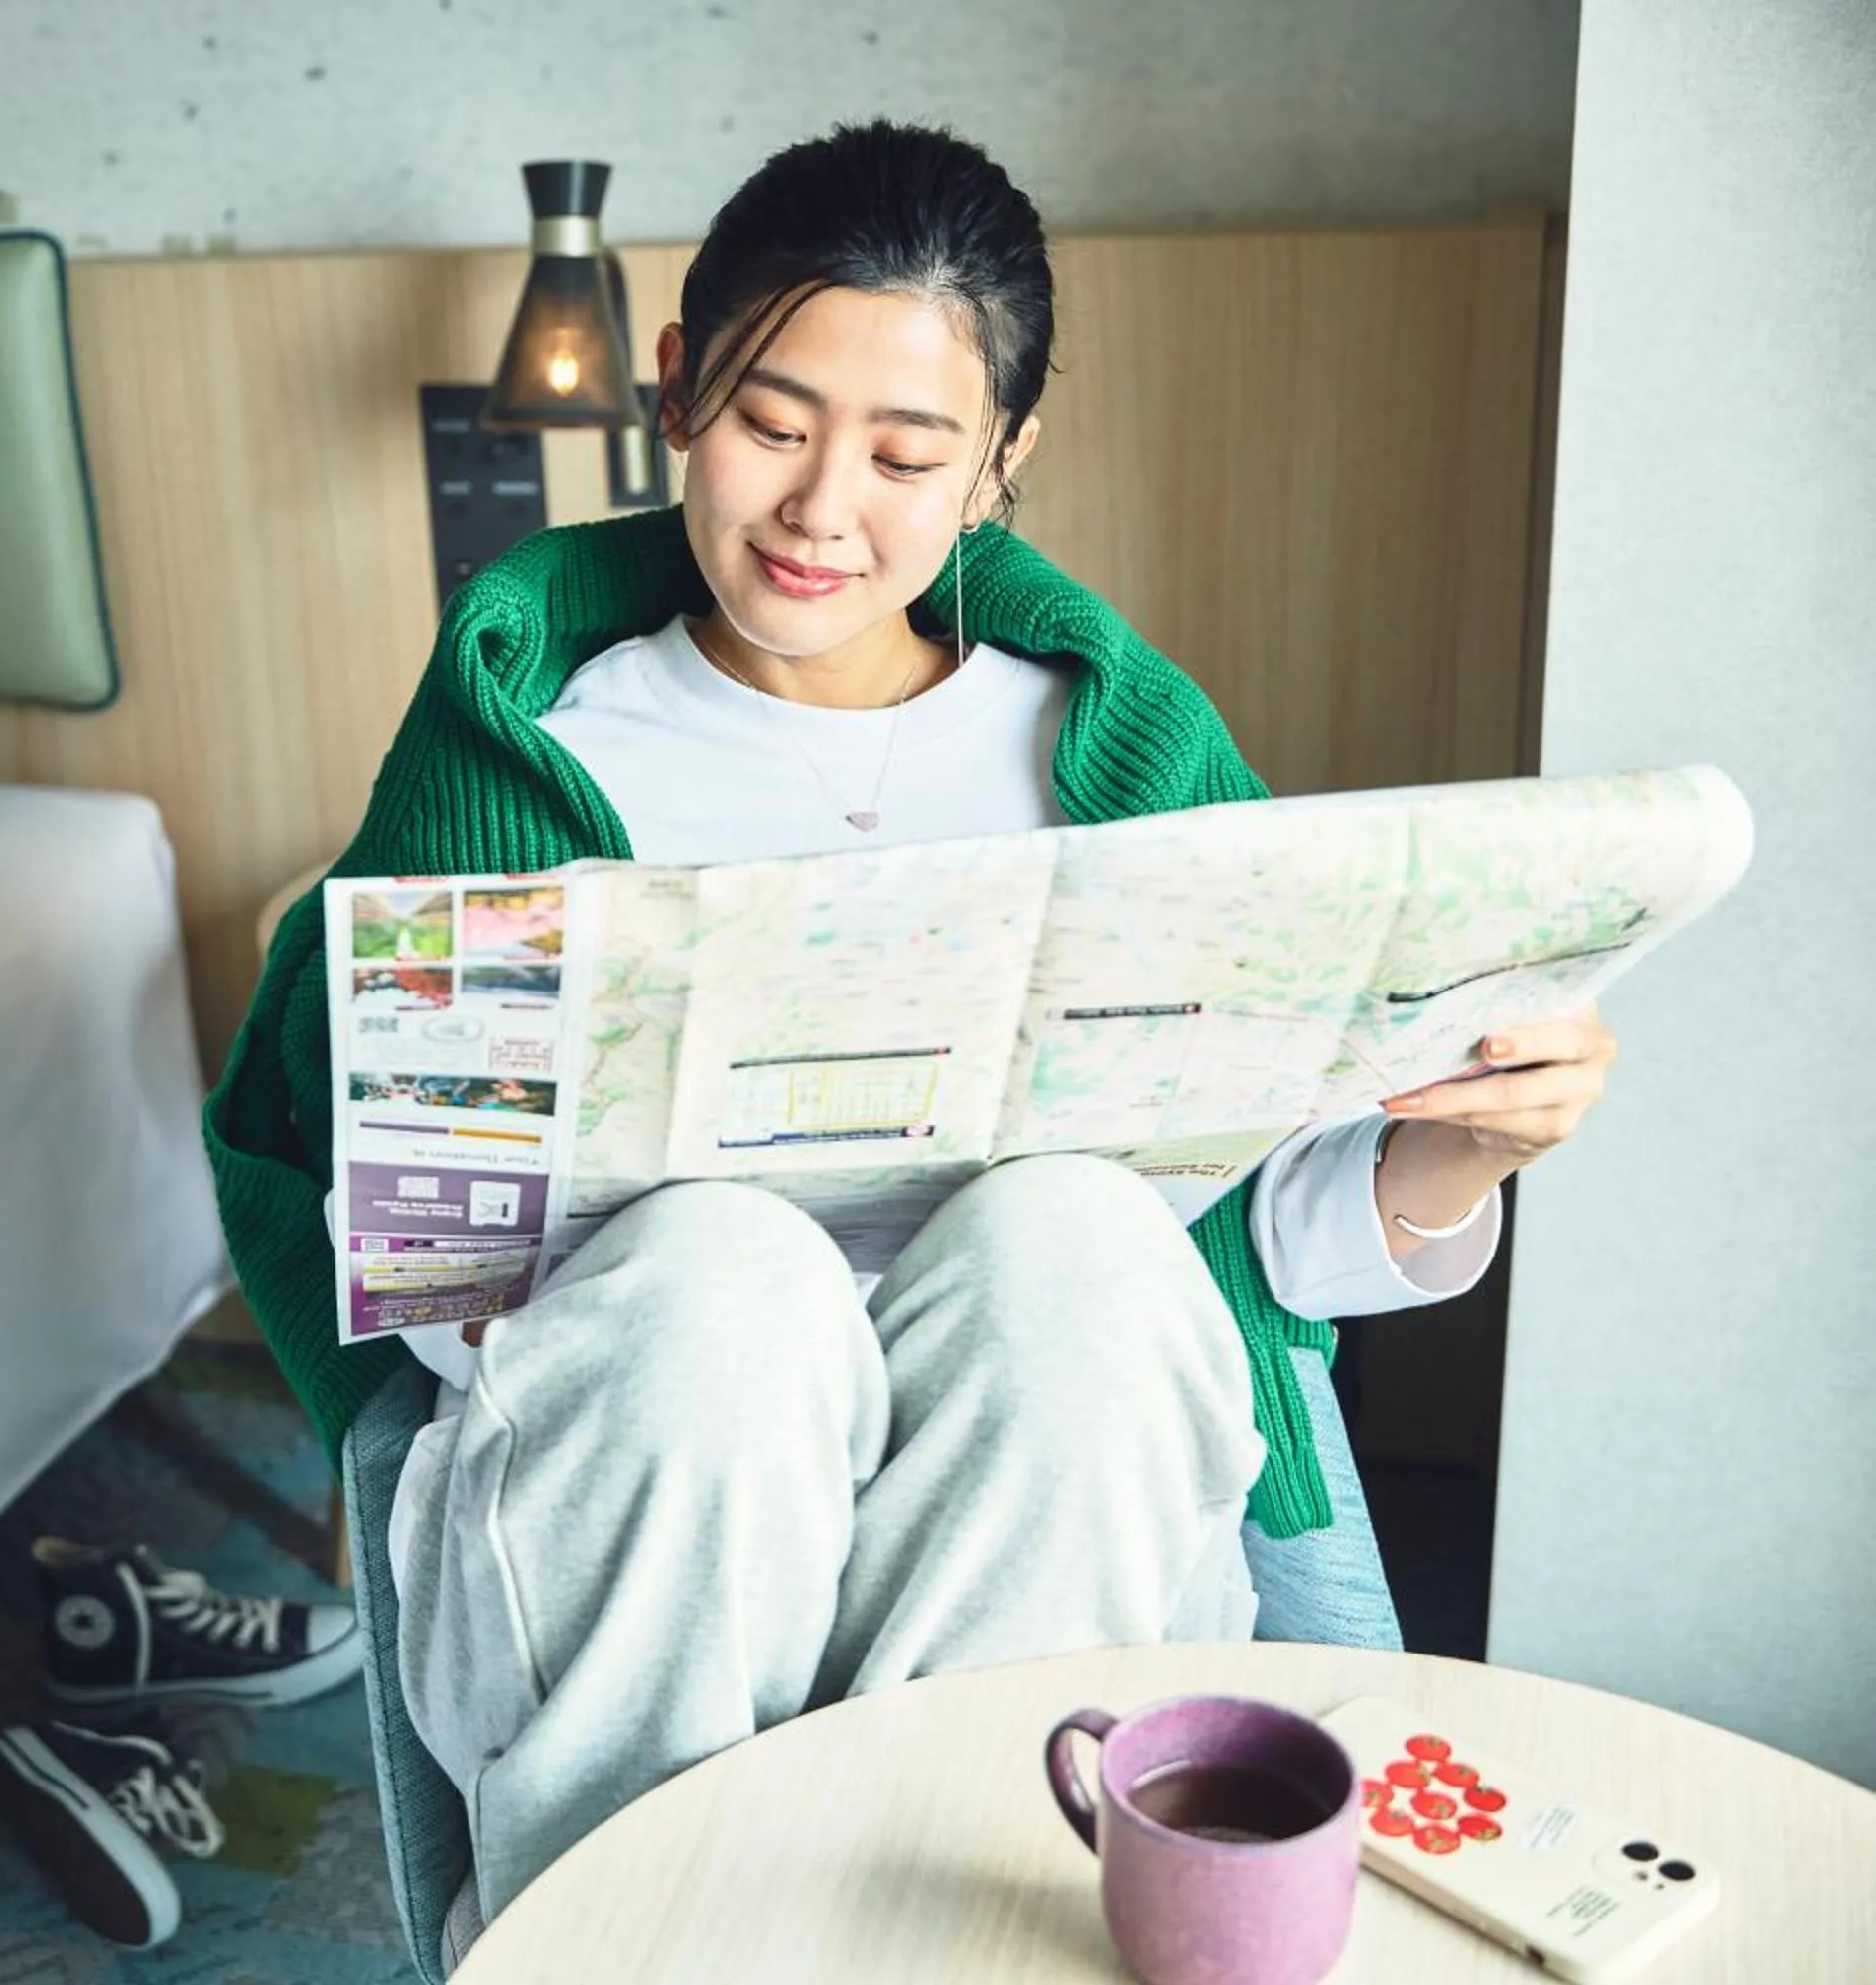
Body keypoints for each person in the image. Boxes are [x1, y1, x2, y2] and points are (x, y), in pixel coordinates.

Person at [202, 118, 1618, 1960]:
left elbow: (1240, 1238)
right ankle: (655, 1935)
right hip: (650, 1492)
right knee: (721, 1282)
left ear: (1001, 460)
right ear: (676, 389)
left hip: (1040, 1480)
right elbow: (400, 1253)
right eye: (772, 423)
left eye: (906, 453)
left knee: (1082, 1237)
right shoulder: (528, 744)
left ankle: (953, 1922)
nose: (822, 510)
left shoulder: (1110, 752)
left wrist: (1462, 1146)